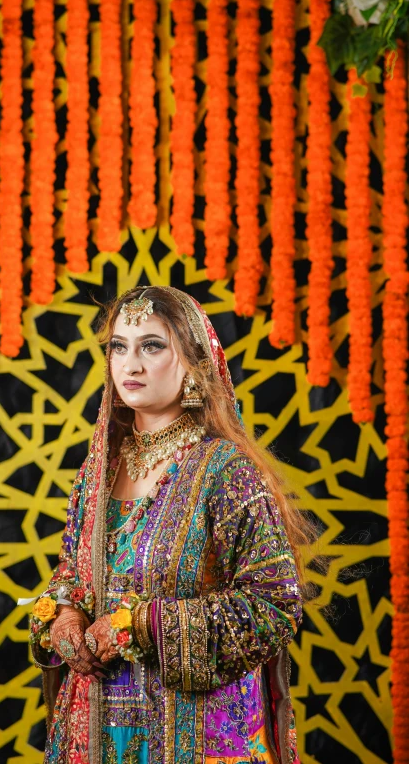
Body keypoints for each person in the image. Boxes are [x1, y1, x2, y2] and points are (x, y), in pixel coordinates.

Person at [28, 285, 310, 764]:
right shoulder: (98, 472)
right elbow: (72, 574)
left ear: (195, 364)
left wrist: (139, 626)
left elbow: (275, 604)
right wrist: (64, 618)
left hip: (196, 736)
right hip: (92, 730)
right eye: (119, 347)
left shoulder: (226, 470)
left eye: (152, 346)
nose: (129, 365)